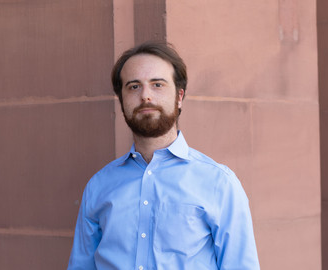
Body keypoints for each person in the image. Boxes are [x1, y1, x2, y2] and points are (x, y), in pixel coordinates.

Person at [67, 41, 260, 270]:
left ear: (179, 96)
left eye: (157, 84)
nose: (145, 96)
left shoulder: (219, 183)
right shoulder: (99, 186)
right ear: (121, 99)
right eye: (133, 87)